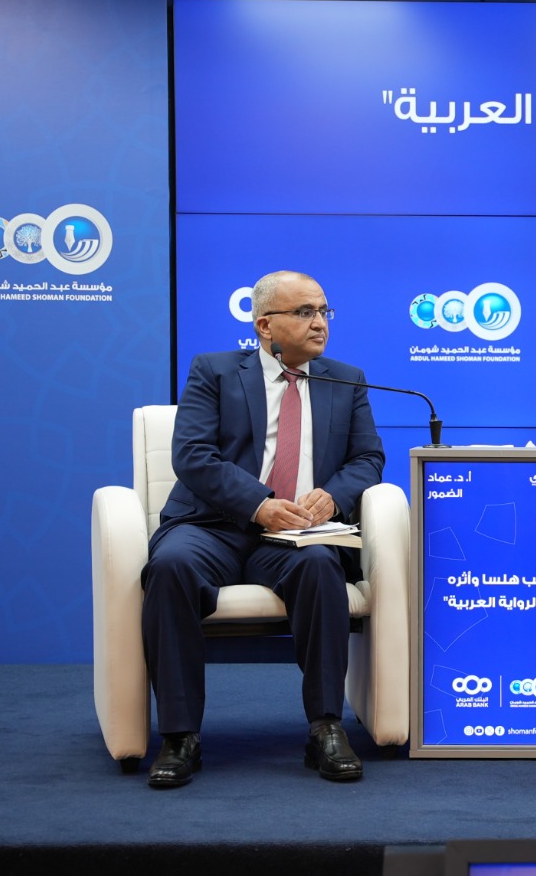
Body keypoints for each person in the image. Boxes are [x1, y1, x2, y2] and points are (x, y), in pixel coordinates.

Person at [140, 270, 385, 788]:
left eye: (324, 311)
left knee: (320, 567)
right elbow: (193, 455)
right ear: (265, 326)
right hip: (213, 524)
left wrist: (332, 496)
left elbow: (367, 458)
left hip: (298, 535)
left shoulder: (346, 379)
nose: (320, 323)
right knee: (171, 565)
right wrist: (259, 504)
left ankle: (326, 727)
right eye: (305, 312)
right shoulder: (215, 371)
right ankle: (179, 736)